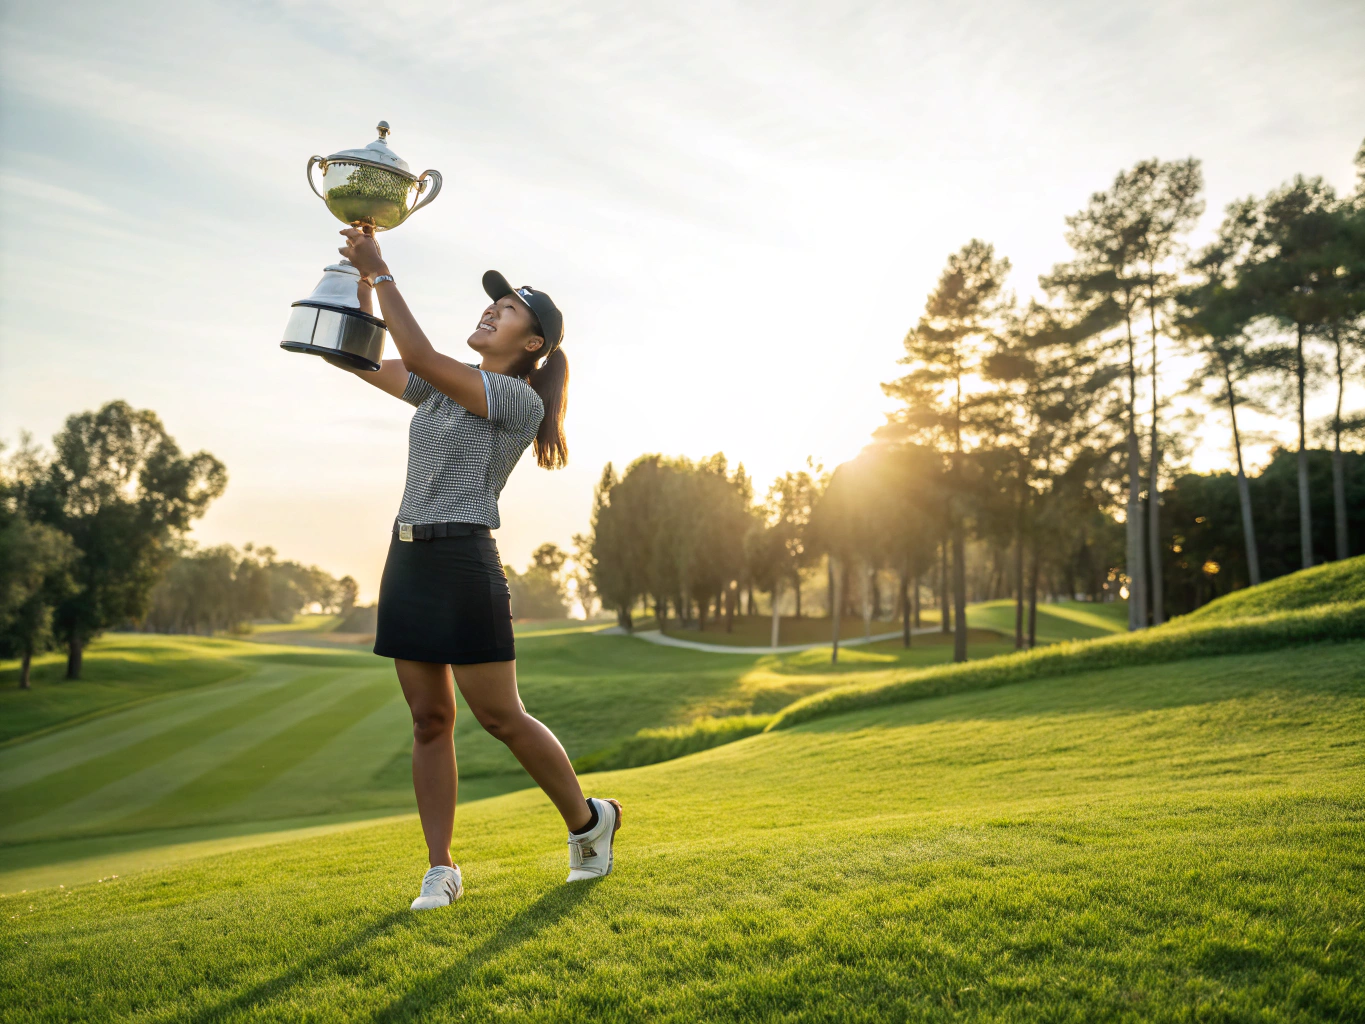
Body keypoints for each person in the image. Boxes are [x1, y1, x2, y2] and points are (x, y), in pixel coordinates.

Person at [332, 225, 621, 911]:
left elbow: (420, 354)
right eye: (494, 302)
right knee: (428, 719)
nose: (492, 308)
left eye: (509, 308)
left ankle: (589, 822)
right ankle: (441, 868)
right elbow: (357, 357)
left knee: (498, 716)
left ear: (532, 346)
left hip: (464, 561)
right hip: (405, 559)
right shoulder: (439, 390)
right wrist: (361, 282)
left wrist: (386, 270)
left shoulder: (516, 400)